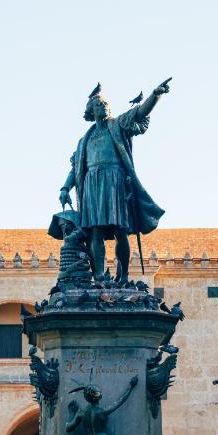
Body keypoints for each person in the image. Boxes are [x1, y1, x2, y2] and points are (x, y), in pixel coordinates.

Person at [59, 79, 170, 284]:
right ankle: (99, 275)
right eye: (100, 104)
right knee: (95, 231)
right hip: (92, 184)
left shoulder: (117, 125)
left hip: (115, 181)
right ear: (91, 111)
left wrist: (155, 96)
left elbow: (139, 113)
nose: (105, 106)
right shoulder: (85, 140)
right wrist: (66, 187)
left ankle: (124, 274)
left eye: (106, 104)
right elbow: (76, 167)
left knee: (121, 230)